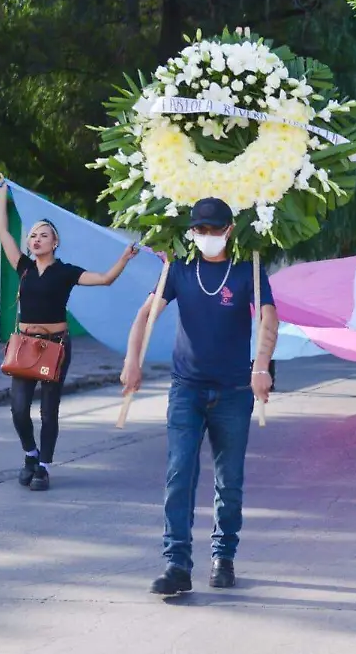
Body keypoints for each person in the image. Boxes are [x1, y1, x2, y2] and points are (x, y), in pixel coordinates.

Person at [120, 197, 278, 595]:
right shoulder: (178, 271)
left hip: (234, 391)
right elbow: (144, 315)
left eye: (215, 229)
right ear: (192, 232)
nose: (207, 236)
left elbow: (268, 319)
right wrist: (131, 360)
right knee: (179, 473)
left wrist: (261, 367)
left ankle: (223, 556)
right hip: (186, 389)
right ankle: (176, 564)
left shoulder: (247, 272)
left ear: (229, 230)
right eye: (200, 230)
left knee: (230, 481)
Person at [0, 180, 137, 491]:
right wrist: (2, 195)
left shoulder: (66, 272)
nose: (36, 239)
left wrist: (124, 259)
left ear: (55, 242)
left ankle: (43, 468)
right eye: (33, 235)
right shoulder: (24, 268)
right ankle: (30, 455)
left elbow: (104, 279)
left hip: (55, 348)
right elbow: (3, 232)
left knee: (49, 409)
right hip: (24, 345)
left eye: (43, 235)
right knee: (18, 408)